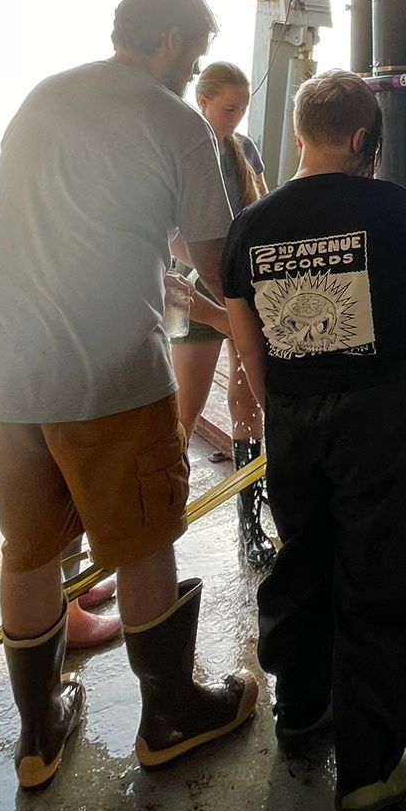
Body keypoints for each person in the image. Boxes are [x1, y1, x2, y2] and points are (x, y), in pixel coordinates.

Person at [0, 0, 256, 791]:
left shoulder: (44, 97)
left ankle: (38, 734)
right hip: (104, 370)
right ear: (168, 39)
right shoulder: (176, 122)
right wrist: (264, 345)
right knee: (143, 536)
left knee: (28, 546)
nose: (195, 63)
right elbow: (218, 262)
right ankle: (168, 716)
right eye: (194, 49)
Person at [221, 71, 406, 811]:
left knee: (305, 558)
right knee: (378, 580)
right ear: (360, 139)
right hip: (384, 413)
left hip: (294, 416)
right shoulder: (393, 206)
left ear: (297, 134)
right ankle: (370, 771)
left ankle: (302, 710)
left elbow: (244, 333)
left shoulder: (253, 223)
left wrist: (286, 400)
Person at [172, 60, 275, 568]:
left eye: (242, 109)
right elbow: (174, 237)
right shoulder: (182, 152)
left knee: (247, 402)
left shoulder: (244, 151)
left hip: (243, 290)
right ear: (203, 102)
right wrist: (221, 275)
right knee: (184, 411)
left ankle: (250, 525)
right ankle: (160, 522)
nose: (235, 118)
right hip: (200, 293)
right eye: (228, 108)